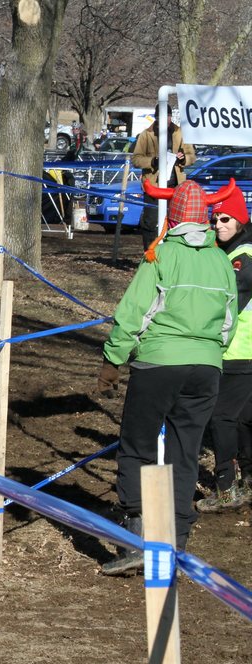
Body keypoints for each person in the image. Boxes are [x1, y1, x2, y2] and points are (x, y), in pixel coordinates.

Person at [96, 179, 239, 575]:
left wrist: (112, 361)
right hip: (207, 366)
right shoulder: (221, 261)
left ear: (172, 217)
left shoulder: (160, 255)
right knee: (185, 450)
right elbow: (228, 321)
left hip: (159, 363)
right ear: (205, 220)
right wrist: (209, 351)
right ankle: (176, 541)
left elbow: (133, 313)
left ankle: (138, 536)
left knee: (137, 445)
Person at [197, 191, 252, 511]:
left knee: (221, 418)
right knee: (245, 418)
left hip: (237, 350)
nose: (218, 224)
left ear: (240, 219)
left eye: (225, 218)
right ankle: (247, 482)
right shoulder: (235, 247)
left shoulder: (242, 256)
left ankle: (227, 488)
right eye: (214, 218)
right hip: (243, 348)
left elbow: (231, 300)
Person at [132, 113, 196, 250]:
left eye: (168, 115)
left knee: (177, 222)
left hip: (175, 185)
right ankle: (149, 254)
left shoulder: (180, 133)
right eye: (162, 115)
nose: (165, 119)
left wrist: (183, 158)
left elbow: (192, 156)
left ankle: (174, 255)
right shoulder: (146, 134)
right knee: (150, 222)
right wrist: (152, 161)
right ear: (156, 117)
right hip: (153, 186)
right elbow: (136, 159)